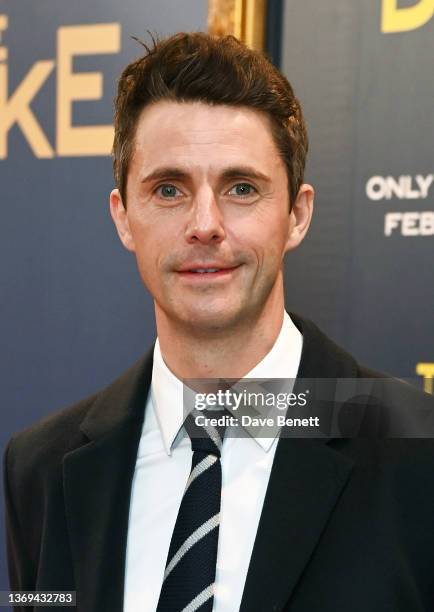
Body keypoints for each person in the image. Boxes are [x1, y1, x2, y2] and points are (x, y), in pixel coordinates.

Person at [3, 32, 434, 612]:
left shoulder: (418, 454)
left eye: (241, 187)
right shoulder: (40, 469)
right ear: (124, 217)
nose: (205, 224)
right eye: (169, 189)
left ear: (297, 214)